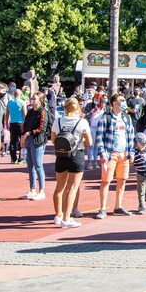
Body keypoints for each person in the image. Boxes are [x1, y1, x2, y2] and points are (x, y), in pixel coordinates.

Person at [52, 97, 92, 228]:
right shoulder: (82, 122)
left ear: (65, 107)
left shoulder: (57, 121)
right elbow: (89, 142)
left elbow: (53, 140)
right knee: (72, 188)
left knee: (59, 187)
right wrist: (79, 141)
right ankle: (66, 218)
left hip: (61, 155)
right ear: (78, 109)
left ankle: (58, 215)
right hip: (76, 154)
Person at [94, 93, 136, 219]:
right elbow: (99, 137)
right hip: (110, 154)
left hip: (123, 154)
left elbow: (131, 136)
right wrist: (102, 153)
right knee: (106, 181)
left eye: (124, 100)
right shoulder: (106, 118)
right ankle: (102, 208)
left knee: (122, 180)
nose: (123, 102)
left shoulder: (127, 118)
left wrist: (131, 152)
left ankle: (118, 206)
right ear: (114, 103)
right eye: (121, 101)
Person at [21, 93, 51, 201]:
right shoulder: (30, 111)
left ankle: (41, 190)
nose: (32, 100)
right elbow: (25, 124)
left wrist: (29, 133)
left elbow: (42, 127)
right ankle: (32, 189)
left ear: (40, 100)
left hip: (38, 141)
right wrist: (23, 136)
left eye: (35, 99)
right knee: (30, 165)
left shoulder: (42, 111)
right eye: (32, 98)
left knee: (38, 165)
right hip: (29, 140)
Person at [6, 89, 26, 164]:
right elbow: (25, 114)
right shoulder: (22, 102)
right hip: (21, 123)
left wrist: (6, 123)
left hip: (12, 123)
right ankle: (21, 158)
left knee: (13, 141)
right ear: (20, 95)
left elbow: (7, 114)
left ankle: (13, 158)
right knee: (22, 140)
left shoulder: (9, 102)